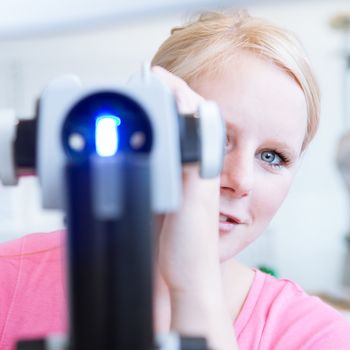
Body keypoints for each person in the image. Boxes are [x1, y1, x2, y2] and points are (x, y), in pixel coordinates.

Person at [0, 8, 350, 350]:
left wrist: (193, 285)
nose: (241, 180)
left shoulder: (317, 337)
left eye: (272, 157)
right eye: (215, 140)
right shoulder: (8, 281)